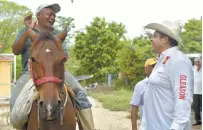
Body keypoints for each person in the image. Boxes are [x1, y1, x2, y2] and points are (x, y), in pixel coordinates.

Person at [10, 3, 95, 130]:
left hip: (56, 71)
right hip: (30, 73)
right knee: (15, 102)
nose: (52, 17)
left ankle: (89, 127)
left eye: (54, 15)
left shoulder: (57, 34)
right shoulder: (25, 31)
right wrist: (28, 31)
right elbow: (15, 51)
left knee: (81, 94)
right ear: (38, 15)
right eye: (49, 14)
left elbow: (64, 55)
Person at [143, 21, 194, 130]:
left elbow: (183, 100)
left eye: (155, 36)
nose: (151, 39)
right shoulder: (163, 60)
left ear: (165, 39)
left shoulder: (178, 61)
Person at [130, 58, 157, 130]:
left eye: (156, 66)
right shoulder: (140, 86)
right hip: (146, 126)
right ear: (146, 69)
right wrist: (134, 127)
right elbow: (134, 107)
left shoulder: (164, 84)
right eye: (152, 66)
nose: (155, 68)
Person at [193, 57, 202, 126]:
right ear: (195, 63)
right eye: (196, 62)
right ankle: (198, 121)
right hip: (195, 92)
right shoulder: (193, 70)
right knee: (196, 107)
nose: (198, 63)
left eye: (199, 61)